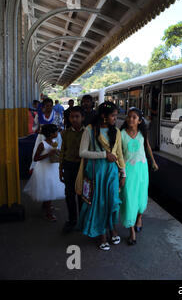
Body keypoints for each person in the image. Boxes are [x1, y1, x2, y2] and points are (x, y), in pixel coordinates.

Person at [76, 101, 126, 251]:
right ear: (103, 116)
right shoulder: (89, 130)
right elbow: (82, 152)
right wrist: (104, 154)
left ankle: (112, 229)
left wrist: (123, 173)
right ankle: (101, 234)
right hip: (96, 172)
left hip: (111, 172)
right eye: (113, 116)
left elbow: (119, 154)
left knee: (112, 201)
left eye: (116, 116)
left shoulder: (116, 131)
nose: (115, 119)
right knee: (99, 203)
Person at [119, 108, 158, 245]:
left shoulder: (142, 133)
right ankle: (132, 232)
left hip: (142, 169)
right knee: (129, 199)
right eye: (129, 117)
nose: (131, 119)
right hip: (128, 171)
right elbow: (119, 155)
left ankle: (139, 218)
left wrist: (153, 161)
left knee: (141, 198)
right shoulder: (121, 134)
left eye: (134, 117)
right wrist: (121, 172)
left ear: (139, 120)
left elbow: (147, 147)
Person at [23, 124, 65, 221]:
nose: (57, 133)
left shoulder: (54, 142)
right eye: (55, 132)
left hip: (53, 168)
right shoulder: (42, 144)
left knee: (50, 188)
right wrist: (48, 154)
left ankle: (46, 205)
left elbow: (55, 153)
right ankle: (48, 214)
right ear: (50, 134)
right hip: (44, 170)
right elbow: (35, 158)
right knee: (47, 189)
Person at [60, 106, 85, 234]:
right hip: (68, 166)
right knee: (69, 195)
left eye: (77, 117)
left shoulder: (87, 133)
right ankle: (72, 220)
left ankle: (82, 221)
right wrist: (60, 169)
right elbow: (62, 151)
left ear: (82, 118)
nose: (74, 119)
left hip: (82, 168)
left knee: (82, 195)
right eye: (72, 117)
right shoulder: (65, 133)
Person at [30, 98, 63, 173]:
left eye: (50, 106)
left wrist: (57, 130)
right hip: (42, 137)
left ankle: (57, 169)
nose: (48, 107)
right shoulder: (39, 115)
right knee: (40, 153)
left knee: (56, 153)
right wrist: (40, 130)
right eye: (46, 106)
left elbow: (61, 125)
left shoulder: (57, 115)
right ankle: (39, 170)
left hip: (55, 137)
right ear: (43, 107)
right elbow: (35, 127)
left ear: (53, 106)